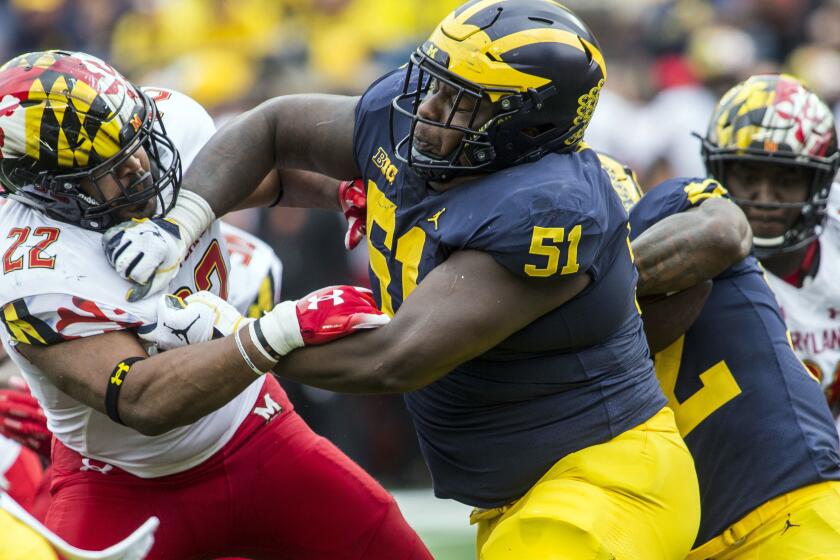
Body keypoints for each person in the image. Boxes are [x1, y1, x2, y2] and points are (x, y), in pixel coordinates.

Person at [103, 2, 702, 558]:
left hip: (604, 482)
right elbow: (276, 126)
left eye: (459, 101)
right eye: (434, 84)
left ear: (527, 128)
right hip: (535, 491)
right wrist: (180, 221)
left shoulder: (547, 208)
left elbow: (396, 359)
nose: (427, 109)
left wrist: (238, 337)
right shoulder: (425, 124)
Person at [0, 50, 431, 559]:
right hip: (123, 481)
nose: (142, 164)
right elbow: (142, 399)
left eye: (138, 139)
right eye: (111, 168)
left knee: (391, 546)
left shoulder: (168, 121)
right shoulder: (32, 270)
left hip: (255, 430)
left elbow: (268, 178)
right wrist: (274, 332)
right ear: (50, 191)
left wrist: (343, 192)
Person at [599, 151, 840, 558]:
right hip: (700, 534)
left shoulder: (661, 212)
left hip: (788, 504)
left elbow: (724, 233)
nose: (764, 196)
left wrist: (594, 288)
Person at [698, 74, 840, 427]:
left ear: (819, 183)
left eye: (786, 179)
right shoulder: (695, 254)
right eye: (747, 177)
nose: (764, 199)